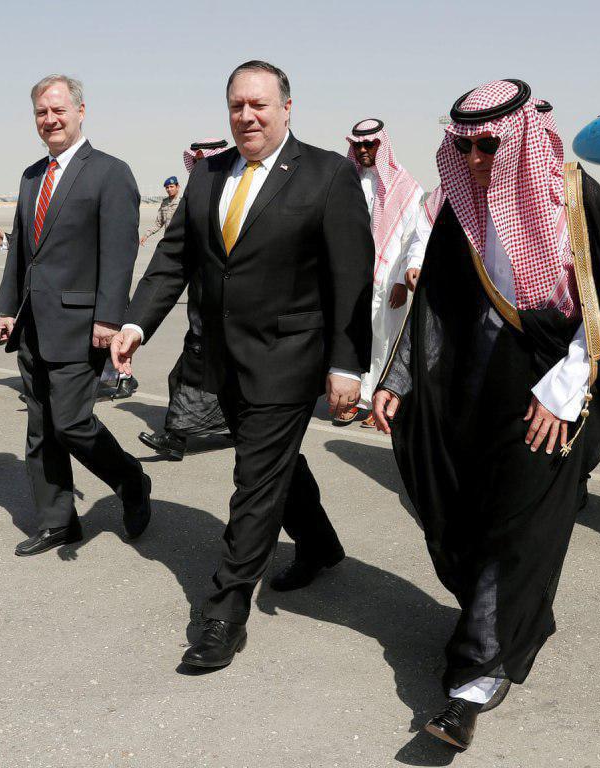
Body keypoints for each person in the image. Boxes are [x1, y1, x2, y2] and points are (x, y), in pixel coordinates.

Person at [371, 79, 600, 752]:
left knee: (518, 527)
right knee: (469, 515)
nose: (476, 160)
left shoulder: (576, 198)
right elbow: (436, 301)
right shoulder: (462, 204)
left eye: (488, 145)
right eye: (464, 147)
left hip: (549, 392)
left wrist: (563, 391)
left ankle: (472, 682)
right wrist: (400, 378)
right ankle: (514, 618)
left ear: (518, 139)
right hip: (470, 388)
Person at [112, 60, 373, 670]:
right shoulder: (208, 173)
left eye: (259, 104)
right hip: (221, 359)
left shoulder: (327, 174)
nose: (247, 116)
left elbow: (351, 277)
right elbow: (174, 258)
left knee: (254, 480)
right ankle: (320, 544)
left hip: (289, 358)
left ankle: (225, 612)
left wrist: (347, 364)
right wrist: (136, 324)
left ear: (287, 108)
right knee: (274, 463)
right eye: (237, 106)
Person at [0, 75, 152, 557]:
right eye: (41, 112)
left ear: (81, 112)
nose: (50, 119)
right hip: (33, 324)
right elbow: (23, 251)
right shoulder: (31, 176)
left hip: (82, 324)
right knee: (40, 427)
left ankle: (130, 479)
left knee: (72, 423)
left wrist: (109, 317)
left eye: (58, 110)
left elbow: (119, 252)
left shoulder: (109, 172)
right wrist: (7, 308)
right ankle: (57, 521)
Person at [137, 142, 237, 463]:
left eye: (204, 160)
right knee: (194, 371)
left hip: (222, 301)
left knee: (189, 373)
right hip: (200, 292)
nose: (199, 165)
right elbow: (175, 250)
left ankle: (177, 438)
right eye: (196, 160)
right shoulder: (193, 195)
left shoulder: (230, 194)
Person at [332, 119, 429, 427]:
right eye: (357, 144)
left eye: (370, 144)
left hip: (388, 279)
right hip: (351, 275)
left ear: (382, 144)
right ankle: (354, 398)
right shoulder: (346, 179)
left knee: (384, 339)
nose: (363, 149)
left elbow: (413, 237)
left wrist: (400, 281)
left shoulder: (406, 186)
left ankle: (379, 399)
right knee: (352, 335)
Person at [140, 176, 181, 245]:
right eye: (167, 187)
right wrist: (146, 235)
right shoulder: (164, 203)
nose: (169, 189)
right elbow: (159, 223)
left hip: (181, 240)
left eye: (171, 186)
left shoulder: (183, 202)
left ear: (177, 187)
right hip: (168, 239)